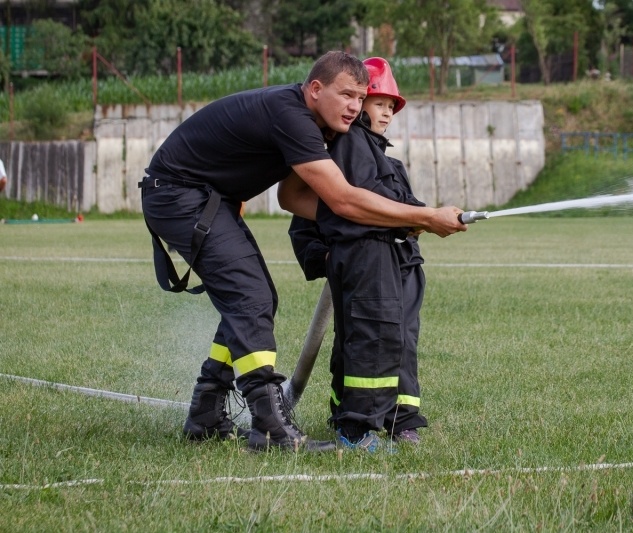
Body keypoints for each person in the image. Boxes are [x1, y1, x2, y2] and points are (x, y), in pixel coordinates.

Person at [139, 51, 467, 453]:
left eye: (360, 97)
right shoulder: (292, 115)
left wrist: (386, 219)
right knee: (250, 297)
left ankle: (205, 413)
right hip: (177, 195)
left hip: (208, 198)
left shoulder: (312, 121)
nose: (354, 106)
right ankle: (270, 429)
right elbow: (342, 200)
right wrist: (425, 216)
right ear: (315, 89)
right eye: (346, 94)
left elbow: (291, 196)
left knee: (258, 298)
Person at [291, 57, 429, 451]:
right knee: (366, 339)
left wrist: (422, 219)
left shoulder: (390, 161)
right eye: (379, 101)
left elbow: (402, 206)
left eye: (391, 106)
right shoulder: (344, 146)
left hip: (403, 264)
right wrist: (325, 259)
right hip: (366, 263)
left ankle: (400, 417)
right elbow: (312, 215)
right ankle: (354, 422)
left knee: (400, 339)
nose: (386, 112)